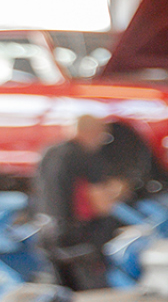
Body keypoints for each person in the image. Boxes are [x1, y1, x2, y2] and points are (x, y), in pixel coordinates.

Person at [34, 114, 130, 292]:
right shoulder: (85, 157)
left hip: (46, 231)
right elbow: (100, 204)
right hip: (78, 237)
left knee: (64, 295)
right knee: (93, 295)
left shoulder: (49, 152)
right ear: (93, 133)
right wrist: (118, 192)